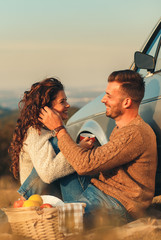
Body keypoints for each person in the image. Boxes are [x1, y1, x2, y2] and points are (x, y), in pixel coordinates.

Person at [39, 70, 157, 224]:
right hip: (98, 193)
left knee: (57, 222)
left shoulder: (135, 133)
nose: (103, 100)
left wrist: (59, 129)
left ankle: (22, 210)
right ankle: (25, 200)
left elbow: (84, 165)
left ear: (126, 102)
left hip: (118, 205)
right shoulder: (123, 129)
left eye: (109, 95)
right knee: (59, 149)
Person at [9, 78, 92, 200]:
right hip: (37, 198)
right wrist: (79, 149)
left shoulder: (54, 128)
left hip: (54, 193)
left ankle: (82, 205)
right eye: (62, 102)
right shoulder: (35, 132)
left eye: (66, 100)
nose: (67, 105)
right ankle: (80, 206)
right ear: (46, 108)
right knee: (59, 145)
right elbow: (47, 174)